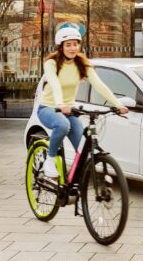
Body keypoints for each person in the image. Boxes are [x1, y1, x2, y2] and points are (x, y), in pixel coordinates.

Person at [37, 26, 128, 180]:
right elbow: (54, 83)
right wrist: (60, 103)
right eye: (68, 45)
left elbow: (99, 85)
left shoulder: (82, 64)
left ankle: (74, 183)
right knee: (62, 125)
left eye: (75, 44)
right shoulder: (51, 63)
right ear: (61, 47)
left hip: (69, 110)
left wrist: (117, 104)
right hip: (49, 107)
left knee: (82, 147)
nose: (73, 48)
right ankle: (50, 161)